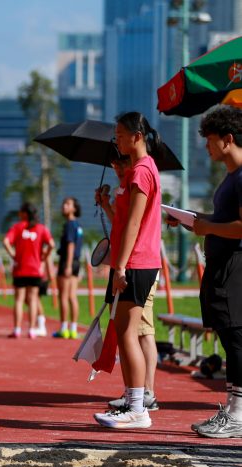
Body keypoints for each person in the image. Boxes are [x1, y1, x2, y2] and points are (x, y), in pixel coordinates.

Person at [172, 106, 242, 438]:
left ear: (228, 139)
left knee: (236, 336)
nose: (206, 147)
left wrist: (206, 227)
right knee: (230, 336)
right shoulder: (230, 177)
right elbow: (222, 221)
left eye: (210, 141)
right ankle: (232, 407)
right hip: (221, 265)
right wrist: (194, 220)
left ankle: (239, 412)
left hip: (234, 267)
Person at [93, 111, 163, 430]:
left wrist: (120, 265)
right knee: (124, 334)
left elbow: (135, 223)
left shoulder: (142, 171)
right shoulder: (136, 171)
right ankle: (133, 403)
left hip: (136, 263)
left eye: (119, 134)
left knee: (127, 333)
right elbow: (124, 221)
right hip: (133, 262)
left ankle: (138, 407)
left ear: (137, 136)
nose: (116, 140)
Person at [3, 203, 54, 339]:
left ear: (24, 213)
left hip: (20, 269)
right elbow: (52, 244)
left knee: (19, 300)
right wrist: (44, 256)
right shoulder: (41, 228)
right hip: (35, 270)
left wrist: (13, 255)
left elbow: (6, 241)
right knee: (32, 300)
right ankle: (31, 330)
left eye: (20, 211)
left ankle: (17, 329)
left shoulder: (18, 227)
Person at [52, 197, 84, 340]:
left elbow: (70, 245)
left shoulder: (70, 224)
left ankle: (64, 328)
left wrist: (68, 265)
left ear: (74, 208)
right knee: (72, 296)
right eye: (64, 203)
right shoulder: (78, 225)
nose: (64, 206)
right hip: (76, 262)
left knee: (64, 296)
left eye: (68, 204)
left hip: (68, 262)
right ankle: (73, 329)